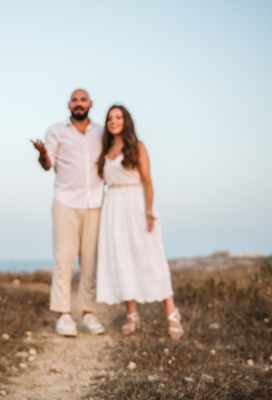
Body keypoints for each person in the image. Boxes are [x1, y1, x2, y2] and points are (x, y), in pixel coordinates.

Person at [96, 105, 184, 339]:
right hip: (113, 205)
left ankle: (172, 313)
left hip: (136, 203)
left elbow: (147, 181)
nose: (114, 121)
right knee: (121, 258)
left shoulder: (137, 146)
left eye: (118, 117)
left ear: (126, 120)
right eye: (109, 118)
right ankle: (131, 315)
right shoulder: (106, 149)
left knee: (150, 255)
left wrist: (148, 211)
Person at [31, 89, 105, 337]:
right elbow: (47, 164)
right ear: (69, 104)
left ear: (91, 104)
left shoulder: (101, 133)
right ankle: (63, 315)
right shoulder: (56, 130)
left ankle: (88, 313)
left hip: (96, 202)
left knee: (90, 261)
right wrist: (42, 153)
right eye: (75, 100)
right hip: (66, 201)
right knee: (64, 259)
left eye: (83, 100)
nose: (79, 103)